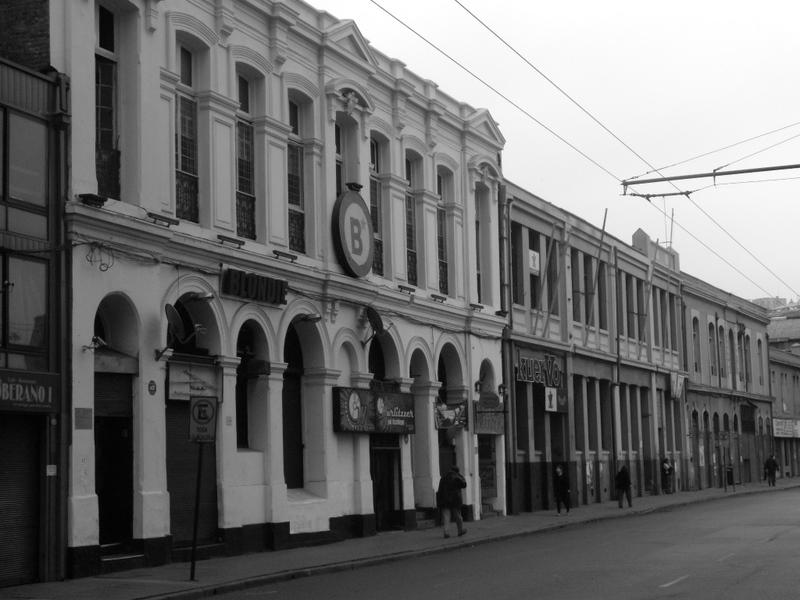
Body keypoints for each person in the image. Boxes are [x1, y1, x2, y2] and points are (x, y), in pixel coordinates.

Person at [436, 465, 467, 538]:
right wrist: (460, 476)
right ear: (457, 471)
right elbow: (464, 484)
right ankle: (460, 530)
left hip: (445, 500)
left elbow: (440, 490)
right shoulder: (458, 477)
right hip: (455, 500)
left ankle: (446, 532)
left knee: (446, 517)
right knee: (458, 516)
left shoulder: (443, 477)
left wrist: (440, 501)